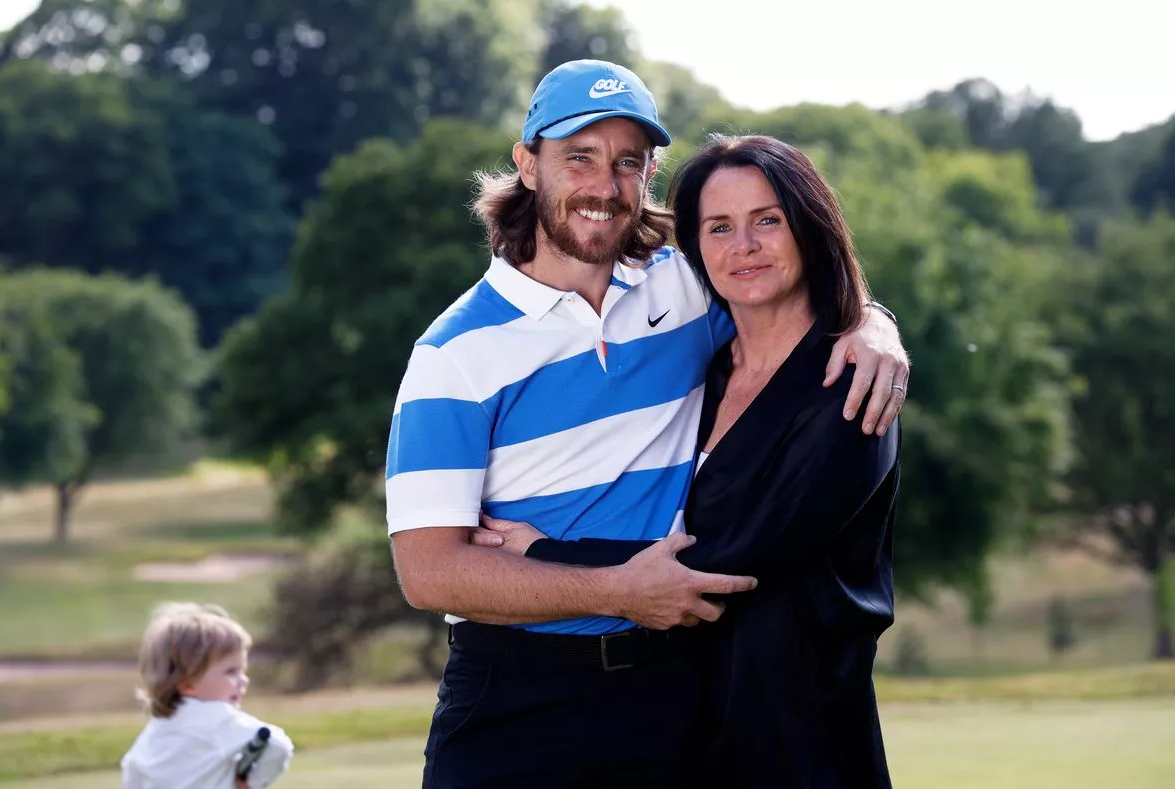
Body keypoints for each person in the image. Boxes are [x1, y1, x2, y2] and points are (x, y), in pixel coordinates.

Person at [386, 59, 909, 788]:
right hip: (517, 699)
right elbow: (429, 570)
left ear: (649, 174)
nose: (604, 186)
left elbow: (787, 281)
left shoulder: (686, 284)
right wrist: (612, 588)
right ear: (528, 164)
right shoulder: (454, 354)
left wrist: (873, 323)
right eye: (580, 157)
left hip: (675, 692)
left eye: (627, 162)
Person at [121, 602, 294, 789]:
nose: (243, 680)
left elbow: (132, 772)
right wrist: (252, 782)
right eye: (231, 672)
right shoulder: (218, 717)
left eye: (241, 671)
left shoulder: (157, 729)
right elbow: (277, 745)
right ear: (187, 684)